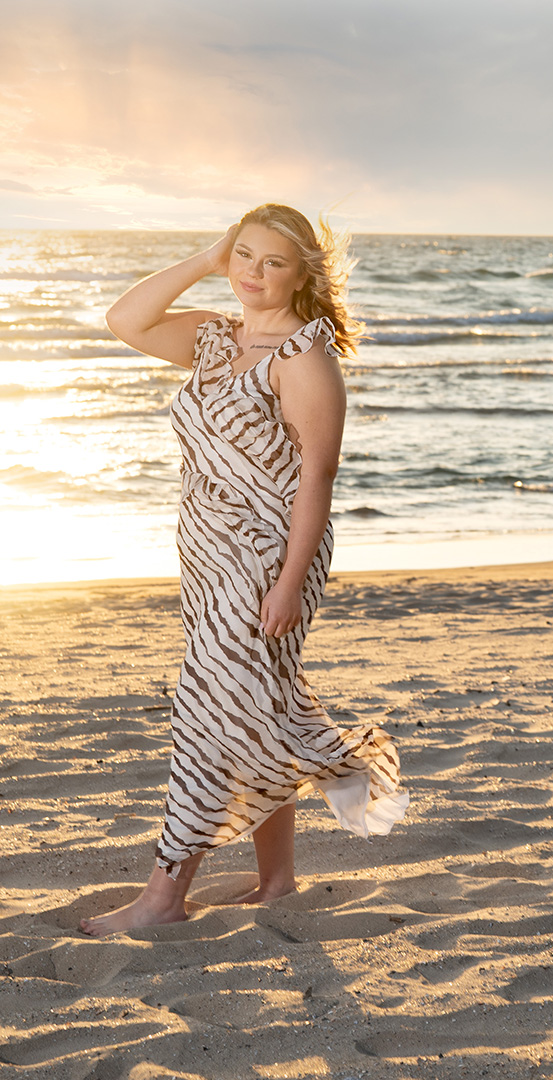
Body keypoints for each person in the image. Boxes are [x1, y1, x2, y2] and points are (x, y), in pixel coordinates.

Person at [80, 204, 407, 936]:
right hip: (206, 553)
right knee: (258, 707)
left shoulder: (304, 358)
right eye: (244, 255)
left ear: (302, 274)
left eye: (274, 262)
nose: (254, 274)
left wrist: (288, 583)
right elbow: (124, 319)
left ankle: (164, 897)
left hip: (268, 556)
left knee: (209, 713)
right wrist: (205, 258)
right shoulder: (213, 338)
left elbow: (317, 478)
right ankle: (278, 882)